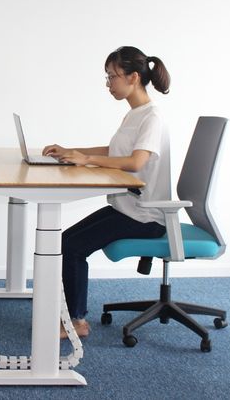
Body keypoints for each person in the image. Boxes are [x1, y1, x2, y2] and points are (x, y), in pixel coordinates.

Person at [42, 46, 171, 339]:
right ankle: (71, 313)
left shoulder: (152, 116)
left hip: (146, 216)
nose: (108, 83)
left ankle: (76, 322)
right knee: (66, 240)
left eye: (112, 76)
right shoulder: (136, 114)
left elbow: (137, 161)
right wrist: (72, 151)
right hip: (127, 207)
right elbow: (115, 151)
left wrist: (86, 161)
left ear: (133, 77)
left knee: (72, 246)